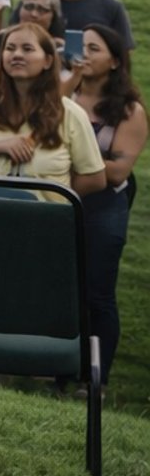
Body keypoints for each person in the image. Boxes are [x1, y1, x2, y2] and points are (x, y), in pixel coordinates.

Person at [0, 21, 106, 200]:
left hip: (45, 221)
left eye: (27, 49)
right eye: (10, 48)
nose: (17, 55)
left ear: (48, 61)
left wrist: (55, 198)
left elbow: (94, 178)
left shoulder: (71, 113)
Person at [67, 24, 143, 387]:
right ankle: (60, 370)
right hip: (61, 203)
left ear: (114, 61)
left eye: (93, 49)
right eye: (80, 47)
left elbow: (117, 172)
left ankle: (93, 381)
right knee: (62, 290)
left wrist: (66, 163)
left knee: (97, 293)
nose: (84, 54)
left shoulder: (128, 110)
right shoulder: (63, 97)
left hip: (103, 208)